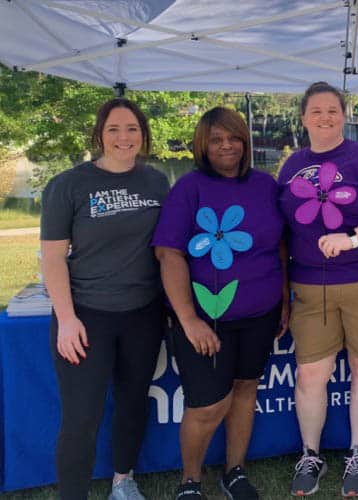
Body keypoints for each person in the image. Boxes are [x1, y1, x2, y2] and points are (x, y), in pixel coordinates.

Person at [277, 82, 358, 497]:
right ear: (303, 118)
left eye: (332, 110)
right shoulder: (290, 165)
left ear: (344, 115)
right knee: (312, 371)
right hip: (311, 285)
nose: (325, 117)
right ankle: (311, 453)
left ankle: (357, 452)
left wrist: (353, 238)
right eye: (316, 111)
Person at [153, 107, 288, 500]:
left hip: (260, 314)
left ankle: (235, 472)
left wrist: (282, 299)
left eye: (233, 137)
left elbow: (279, 245)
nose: (226, 145)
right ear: (203, 146)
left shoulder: (266, 186)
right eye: (216, 139)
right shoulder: (189, 189)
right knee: (209, 404)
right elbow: (169, 254)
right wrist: (189, 319)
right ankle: (190, 482)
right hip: (205, 319)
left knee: (246, 389)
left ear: (245, 141)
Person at [40, 98, 169, 500]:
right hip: (86, 316)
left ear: (143, 134)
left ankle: (123, 481)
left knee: (133, 402)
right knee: (82, 417)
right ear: (99, 134)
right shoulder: (69, 185)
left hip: (143, 314)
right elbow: (52, 257)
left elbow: (166, 249)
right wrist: (66, 319)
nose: (123, 137)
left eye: (131, 128)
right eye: (113, 129)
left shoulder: (156, 182)